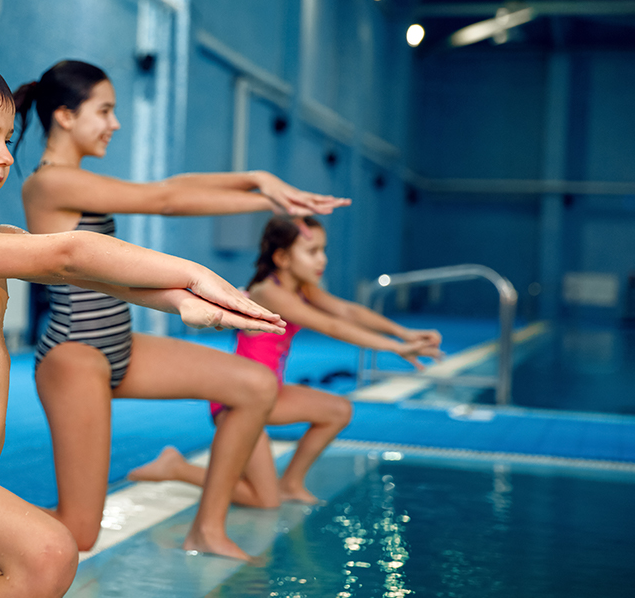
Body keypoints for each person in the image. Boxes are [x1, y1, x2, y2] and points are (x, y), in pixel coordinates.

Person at [0, 44, 289, 597]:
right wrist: (194, 273)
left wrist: (179, 301)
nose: (6, 156)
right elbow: (69, 254)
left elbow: (93, 279)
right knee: (50, 550)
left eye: (7, 140)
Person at [14, 60, 351, 560]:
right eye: (104, 111)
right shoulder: (49, 184)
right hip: (75, 355)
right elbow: (165, 199)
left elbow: (173, 185)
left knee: (254, 385)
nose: (115, 123)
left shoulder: (78, 179)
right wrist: (265, 200)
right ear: (64, 116)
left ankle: (207, 530)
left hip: (120, 344)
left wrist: (256, 179)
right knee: (79, 530)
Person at [130, 216, 444, 507]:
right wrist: (394, 347)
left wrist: (405, 334)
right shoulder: (269, 292)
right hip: (238, 399)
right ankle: (177, 467)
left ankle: (292, 482)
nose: (322, 259)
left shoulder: (302, 288)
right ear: (282, 258)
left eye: (323, 250)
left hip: (271, 392)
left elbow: (348, 312)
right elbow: (330, 326)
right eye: (312, 251)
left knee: (338, 410)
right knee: (264, 501)